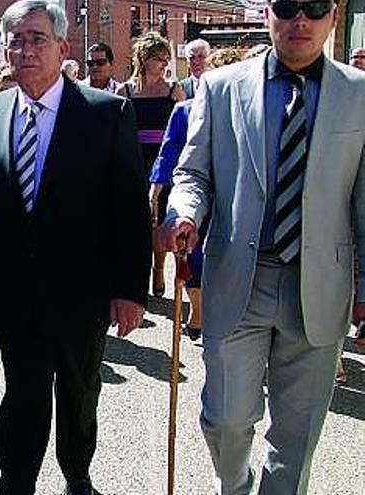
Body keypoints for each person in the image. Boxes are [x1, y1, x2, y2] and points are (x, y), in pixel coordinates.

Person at [155, 0, 365, 492]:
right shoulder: (221, 87)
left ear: (333, 17)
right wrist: (184, 211)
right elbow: (193, 173)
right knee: (225, 420)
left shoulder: (359, 96)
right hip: (238, 280)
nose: (300, 20)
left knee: (297, 439)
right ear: (267, 13)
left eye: (313, 8)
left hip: (319, 286)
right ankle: (235, 485)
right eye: (288, 6)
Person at [0, 2, 151, 494]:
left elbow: (128, 207)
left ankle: (76, 473)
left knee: (79, 391)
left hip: (83, 290)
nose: (24, 49)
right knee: (23, 391)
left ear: (62, 47)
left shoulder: (105, 113)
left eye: (36, 38)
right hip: (13, 289)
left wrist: (131, 290)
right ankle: (17, 480)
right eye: (15, 40)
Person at [149, 48, 243, 341]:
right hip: (196, 196)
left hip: (237, 199)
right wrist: (155, 191)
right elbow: (169, 154)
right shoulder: (185, 110)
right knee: (193, 254)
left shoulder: (251, 114)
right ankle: (198, 308)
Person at [117, 31, 185, 299]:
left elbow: (184, 130)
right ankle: (138, 278)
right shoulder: (126, 91)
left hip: (166, 163)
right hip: (135, 161)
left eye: (166, 58)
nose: (164, 64)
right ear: (143, 59)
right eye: (159, 58)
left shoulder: (173, 90)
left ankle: (159, 271)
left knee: (162, 220)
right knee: (137, 223)